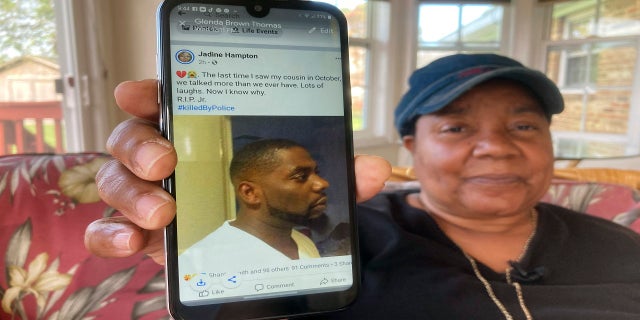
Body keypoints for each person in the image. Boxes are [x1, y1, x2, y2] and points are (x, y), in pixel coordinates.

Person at [86, 54, 640, 319]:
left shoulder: (622, 246)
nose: (495, 146)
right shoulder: (343, 237)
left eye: (523, 125)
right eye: (457, 126)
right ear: (410, 146)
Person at [180, 138, 327, 272]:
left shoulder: (303, 242)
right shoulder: (200, 264)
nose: (322, 183)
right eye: (301, 177)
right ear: (250, 193)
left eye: (317, 173)